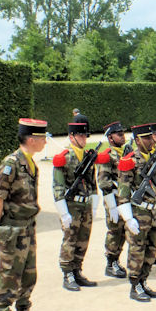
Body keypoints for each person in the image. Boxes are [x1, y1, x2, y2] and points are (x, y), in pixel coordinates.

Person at [0, 118, 48, 311]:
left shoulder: (31, 164)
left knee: (28, 275)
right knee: (8, 277)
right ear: (32, 139)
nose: (45, 142)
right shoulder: (10, 165)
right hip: (12, 229)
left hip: (27, 227)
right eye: (42, 138)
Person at [116, 123, 156, 302]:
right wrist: (128, 218)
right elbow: (123, 193)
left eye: (151, 137)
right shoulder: (129, 161)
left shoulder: (155, 159)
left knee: (151, 250)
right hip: (139, 214)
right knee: (137, 251)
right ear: (137, 140)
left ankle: (143, 281)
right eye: (146, 138)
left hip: (152, 213)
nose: (151, 141)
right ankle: (134, 285)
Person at [53, 122, 103, 292]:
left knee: (83, 239)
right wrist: (63, 212)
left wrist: (94, 205)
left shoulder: (88, 157)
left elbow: (93, 182)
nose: (83, 138)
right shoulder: (64, 158)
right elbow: (58, 187)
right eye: (80, 135)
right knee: (70, 239)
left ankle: (77, 270)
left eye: (85, 135)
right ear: (71, 136)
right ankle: (67, 273)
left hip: (86, 204)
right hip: (71, 206)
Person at [98, 121, 128, 279]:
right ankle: (111, 262)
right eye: (119, 134)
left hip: (124, 199)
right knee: (115, 230)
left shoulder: (124, 152)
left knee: (123, 231)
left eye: (123, 133)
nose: (123, 137)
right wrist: (112, 206)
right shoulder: (107, 155)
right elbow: (104, 182)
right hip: (114, 199)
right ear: (110, 137)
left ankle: (117, 259)